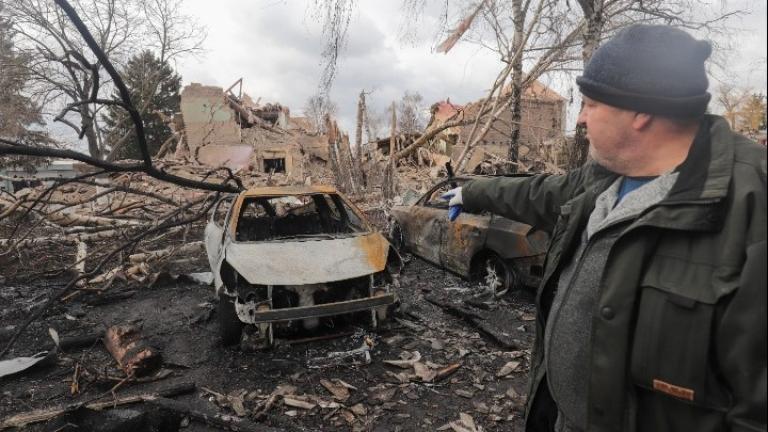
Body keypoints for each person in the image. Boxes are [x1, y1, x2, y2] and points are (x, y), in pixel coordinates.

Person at [443, 24, 766, 432]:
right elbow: (540, 194)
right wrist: (471, 193)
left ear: (640, 112)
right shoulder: (606, 177)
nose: (579, 119)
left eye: (590, 104)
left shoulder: (750, 209)